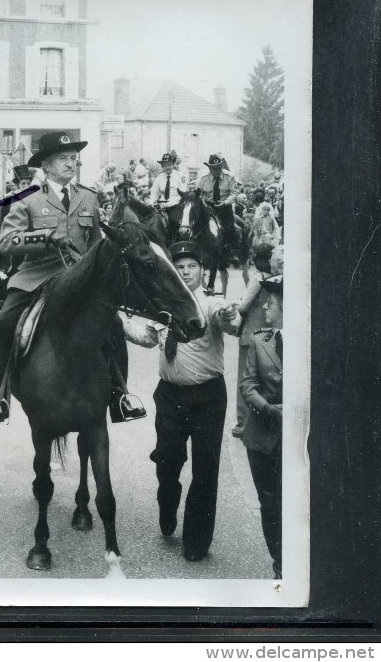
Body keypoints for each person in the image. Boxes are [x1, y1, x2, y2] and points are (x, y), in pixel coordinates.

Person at [0, 131, 137, 423]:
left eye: (73, 158)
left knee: (114, 325)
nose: (71, 163)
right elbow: (6, 241)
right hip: (36, 276)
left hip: (81, 279)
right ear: (47, 166)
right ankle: (0, 397)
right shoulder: (26, 198)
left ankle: (121, 395)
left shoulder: (89, 197)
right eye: (64, 158)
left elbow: (96, 245)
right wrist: (44, 237)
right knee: (4, 322)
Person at [123, 241, 242, 562]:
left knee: (205, 470)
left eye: (192, 266)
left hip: (208, 398)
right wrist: (119, 322)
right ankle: (167, 504)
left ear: (203, 271)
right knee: (167, 460)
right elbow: (146, 337)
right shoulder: (163, 307)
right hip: (169, 396)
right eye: (180, 267)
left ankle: (196, 543)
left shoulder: (211, 303)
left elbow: (230, 322)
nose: (186, 271)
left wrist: (231, 315)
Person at [240, 275, 284, 579]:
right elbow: (248, 385)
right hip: (263, 436)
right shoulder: (259, 340)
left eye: (271, 300)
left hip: (298, 436)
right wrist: (270, 409)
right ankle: (279, 562)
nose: (266, 305)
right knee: (269, 502)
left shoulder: (312, 340)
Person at [233, 242, 275, 438]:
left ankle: (243, 423)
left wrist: (232, 304)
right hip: (267, 334)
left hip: (250, 334)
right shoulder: (273, 277)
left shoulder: (258, 277)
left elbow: (243, 307)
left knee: (245, 379)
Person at [196, 154, 240, 253]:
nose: (216, 171)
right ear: (209, 168)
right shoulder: (203, 179)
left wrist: (225, 202)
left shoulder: (229, 177)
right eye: (213, 169)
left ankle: (232, 251)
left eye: (218, 168)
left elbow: (235, 193)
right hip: (207, 207)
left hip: (224, 207)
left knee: (229, 227)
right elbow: (197, 195)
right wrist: (206, 200)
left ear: (221, 167)